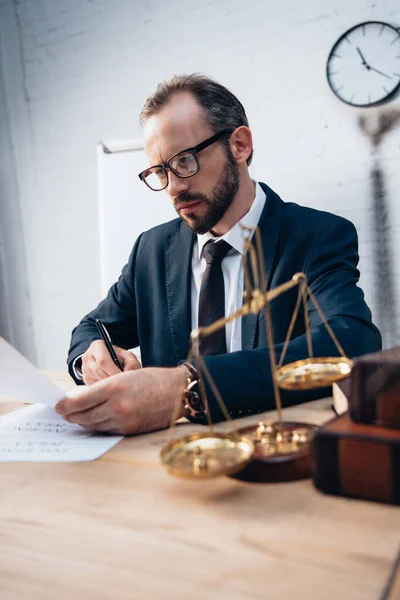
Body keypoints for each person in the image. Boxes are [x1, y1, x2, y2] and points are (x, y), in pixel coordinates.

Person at [55, 74, 381, 434]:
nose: (174, 187)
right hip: (167, 460)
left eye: (184, 161)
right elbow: (89, 329)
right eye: (159, 171)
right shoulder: (151, 249)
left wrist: (187, 387)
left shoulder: (316, 236)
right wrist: (95, 356)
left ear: (239, 145)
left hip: (273, 453)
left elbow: (350, 343)